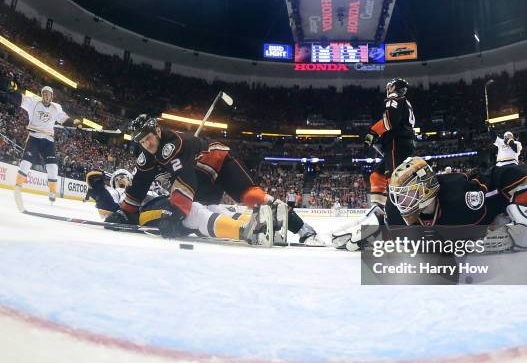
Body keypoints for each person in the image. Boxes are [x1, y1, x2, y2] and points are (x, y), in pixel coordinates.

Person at [106, 115, 322, 245]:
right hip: (201, 180)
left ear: (158, 131)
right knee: (202, 209)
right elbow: (140, 185)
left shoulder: (173, 144)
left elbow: (185, 178)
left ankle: (304, 230)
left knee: (252, 196)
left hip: (219, 163)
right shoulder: (147, 155)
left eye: (149, 138)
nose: (147, 145)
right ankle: (256, 226)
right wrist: (126, 212)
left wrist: (176, 211)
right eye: (142, 142)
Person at [334, 156, 527, 252]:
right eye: (398, 194)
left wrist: (523, 191)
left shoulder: (463, 199)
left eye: (407, 194)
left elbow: (500, 180)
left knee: (521, 214)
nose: (400, 202)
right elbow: (384, 220)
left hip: (491, 211)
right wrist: (365, 233)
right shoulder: (398, 209)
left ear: (426, 190)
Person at [86, 168, 272, 245]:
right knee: (196, 210)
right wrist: (98, 188)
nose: (121, 180)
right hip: (150, 213)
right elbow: (109, 211)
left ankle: (258, 225)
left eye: (123, 177)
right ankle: (243, 231)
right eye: (117, 179)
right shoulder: (120, 194)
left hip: (168, 206)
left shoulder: (147, 184)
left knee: (210, 208)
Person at [0, 76, 81, 202]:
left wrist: (74, 123)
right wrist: (11, 91)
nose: (46, 96)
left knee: (53, 167)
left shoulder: (56, 107)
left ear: (52, 96)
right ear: (42, 95)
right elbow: (19, 99)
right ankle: (18, 186)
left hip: (48, 140)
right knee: (26, 163)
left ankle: (52, 192)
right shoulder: (33, 102)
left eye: (48, 94)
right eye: (44, 93)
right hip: (34, 137)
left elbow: (64, 119)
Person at [364, 77, 417, 211]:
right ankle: (380, 209)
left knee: (395, 178)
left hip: (396, 144)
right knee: (377, 175)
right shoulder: (406, 102)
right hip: (401, 143)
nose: (388, 90)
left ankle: (400, 212)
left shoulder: (394, 97)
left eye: (390, 87)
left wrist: (373, 132)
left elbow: (390, 121)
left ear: (394, 87)